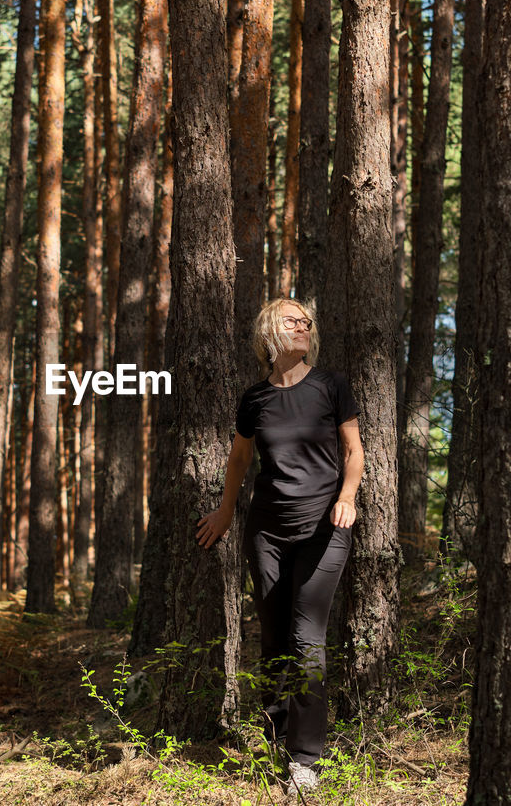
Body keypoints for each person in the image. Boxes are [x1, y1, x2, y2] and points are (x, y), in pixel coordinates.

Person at [195, 297, 364, 796]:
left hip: (324, 528)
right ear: (270, 331)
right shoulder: (254, 399)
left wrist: (348, 497)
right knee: (272, 639)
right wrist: (226, 512)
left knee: (306, 639)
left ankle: (306, 760)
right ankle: (275, 743)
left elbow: (354, 450)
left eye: (308, 322)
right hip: (267, 532)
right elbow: (239, 461)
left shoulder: (332, 385)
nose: (304, 327)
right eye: (294, 320)